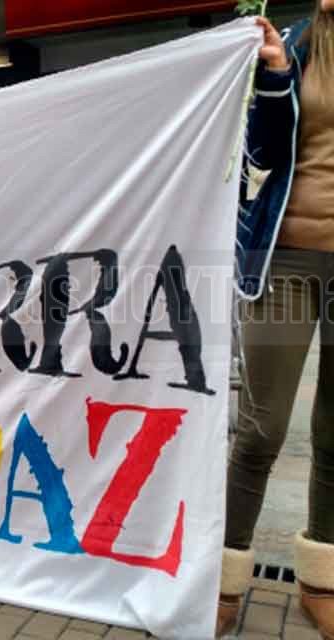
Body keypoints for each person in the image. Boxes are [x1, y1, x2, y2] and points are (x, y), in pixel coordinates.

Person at [220, 4, 334, 637]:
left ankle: (320, 583)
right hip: (286, 257)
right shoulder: (292, 45)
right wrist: (275, 78)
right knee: (262, 430)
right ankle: (222, 582)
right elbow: (256, 151)